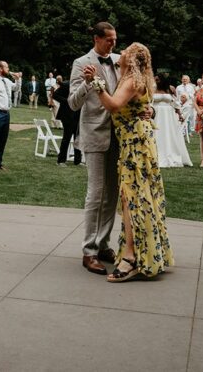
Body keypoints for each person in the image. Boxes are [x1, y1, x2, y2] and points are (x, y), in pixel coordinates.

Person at [93, 42, 173, 282]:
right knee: (141, 197)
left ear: (132, 58)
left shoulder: (131, 81)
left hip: (135, 144)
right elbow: (143, 105)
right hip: (139, 140)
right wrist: (150, 110)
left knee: (132, 199)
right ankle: (146, 252)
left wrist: (96, 84)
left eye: (125, 50)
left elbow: (114, 105)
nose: (121, 52)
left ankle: (132, 258)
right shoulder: (141, 79)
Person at [69, 22, 121, 275]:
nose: (113, 44)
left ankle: (103, 244)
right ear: (97, 39)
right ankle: (88, 251)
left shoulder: (121, 61)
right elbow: (72, 103)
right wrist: (88, 83)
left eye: (115, 39)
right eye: (109, 40)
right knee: (96, 193)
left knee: (112, 194)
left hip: (120, 137)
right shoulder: (81, 63)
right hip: (94, 134)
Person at [152, 74, 192, 167]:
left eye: (157, 80)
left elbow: (175, 102)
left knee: (169, 134)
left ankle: (171, 153)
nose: (156, 82)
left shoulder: (170, 89)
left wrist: (180, 114)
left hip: (169, 115)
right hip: (156, 114)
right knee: (157, 133)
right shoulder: (152, 89)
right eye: (155, 80)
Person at [53, 74, 82, 166]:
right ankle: (61, 160)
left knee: (78, 138)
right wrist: (67, 101)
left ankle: (77, 161)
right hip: (67, 115)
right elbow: (55, 95)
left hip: (78, 115)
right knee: (66, 138)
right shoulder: (66, 84)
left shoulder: (84, 86)